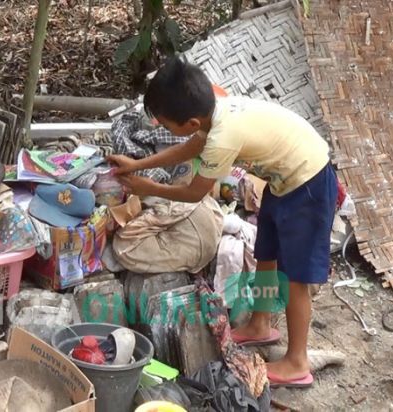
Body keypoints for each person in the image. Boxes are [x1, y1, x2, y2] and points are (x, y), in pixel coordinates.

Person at [107, 57, 337, 388]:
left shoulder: (222, 138)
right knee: (267, 254)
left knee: (297, 277)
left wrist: (146, 186)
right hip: (284, 179)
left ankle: (297, 361)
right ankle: (260, 323)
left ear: (189, 121)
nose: (167, 131)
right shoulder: (215, 112)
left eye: (167, 125)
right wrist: (138, 163)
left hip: (308, 184)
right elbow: (187, 149)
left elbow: (192, 193)